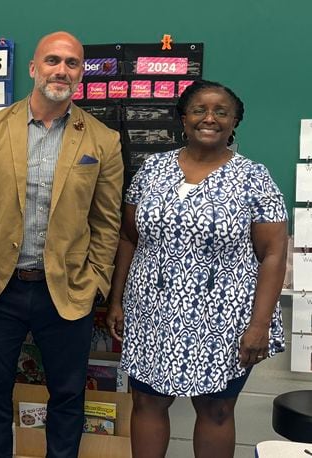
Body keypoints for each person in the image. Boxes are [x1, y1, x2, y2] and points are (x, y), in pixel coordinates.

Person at [0, 31, 123, 457]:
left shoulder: (102, 140)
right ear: (33, 68)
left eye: (71, 63)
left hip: (66, 292)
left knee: (67, 397)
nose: (61, 70)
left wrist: (96, 280)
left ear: (81, 73)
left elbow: (107, 223)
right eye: (52, 60)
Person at [105, 80, 287, 457]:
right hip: (151, 311)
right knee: (147, 402)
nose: (210, 118)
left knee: (216, 408)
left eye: (221, 111)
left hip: (226, 316)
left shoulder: (255, 177)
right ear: (182, 119)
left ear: (234, 121)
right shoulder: (152, 169)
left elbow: (273, 254)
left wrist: (259, 325)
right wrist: (116, 299)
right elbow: (128, 237)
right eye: (199, 110)